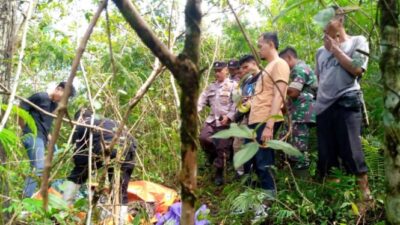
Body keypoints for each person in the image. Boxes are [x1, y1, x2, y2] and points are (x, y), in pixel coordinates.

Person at [314, 6, 372, 202]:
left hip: (346, 100)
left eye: (328, 20)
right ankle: (336, 202)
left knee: (353, 151)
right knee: (327, 156)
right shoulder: (319, 52)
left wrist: (336, 50)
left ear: (340, 21)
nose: (324, 25)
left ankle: (364, 199)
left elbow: (357, 69)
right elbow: (320, 78)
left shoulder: (358, 41)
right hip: (323, 107)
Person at [62, 109, 136, 222]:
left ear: (79, 118)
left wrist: (82, 170)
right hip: (128, 146)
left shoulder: (82, 123)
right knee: (120, 189)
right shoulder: (108, 121)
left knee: (78, 173)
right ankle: (120, 221)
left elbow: (78, 155)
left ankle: (63, 210)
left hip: (104, 146)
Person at [244, 32, 290, 196]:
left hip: (265, 121)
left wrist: (269, 126)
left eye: (260, 46)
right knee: (252, 162)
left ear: (271, 44)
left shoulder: (279, 64)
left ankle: (269, 200)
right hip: (255, 121)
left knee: (264, 162)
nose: (259, 50)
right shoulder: (266, 68)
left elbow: (279, 95)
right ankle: (254, 199)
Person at [19, 81, 76, 198]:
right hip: (33, 136)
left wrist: (49, 136)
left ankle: (47, 194)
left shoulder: (53, 105)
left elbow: (45, 122)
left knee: (56, 158)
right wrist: (23, 126)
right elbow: (22, 107)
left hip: (43, 138)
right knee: (38, 167)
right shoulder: (41, 96)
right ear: (58, 89)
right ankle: (25, 199)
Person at [279, 47, 317, 174]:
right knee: (288, 140)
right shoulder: (300, 68)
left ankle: (303, 180)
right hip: (298, 111)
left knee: (299, 146)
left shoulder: (299, 69)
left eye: (283, 62)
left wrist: (281, 89)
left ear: (289, 58)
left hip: (302, 112)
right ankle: (291, 172)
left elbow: (294, 92)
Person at [198, 61, 236, 186]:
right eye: (216, 71)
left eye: (220, 71)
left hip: (225, 122)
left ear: (226, 70)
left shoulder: (233, 85)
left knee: (222, 147)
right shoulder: (211, 86)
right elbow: (202, 100)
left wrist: (229, 116)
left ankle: (219, 172)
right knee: (204, 138)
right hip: (212, 120)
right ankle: (212, 156)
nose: (217, 73)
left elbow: (237, 104)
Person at [232, 54, 261, 177]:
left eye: (246, 67)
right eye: (242, 68)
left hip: (259, 117)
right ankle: (242, 173)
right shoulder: (247, 81)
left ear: (255, 64)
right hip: (245, 117)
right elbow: (243, 99)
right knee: (237, 144)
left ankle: (256, 175)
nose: (243, 70)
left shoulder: (263, 77)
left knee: (256, 147)